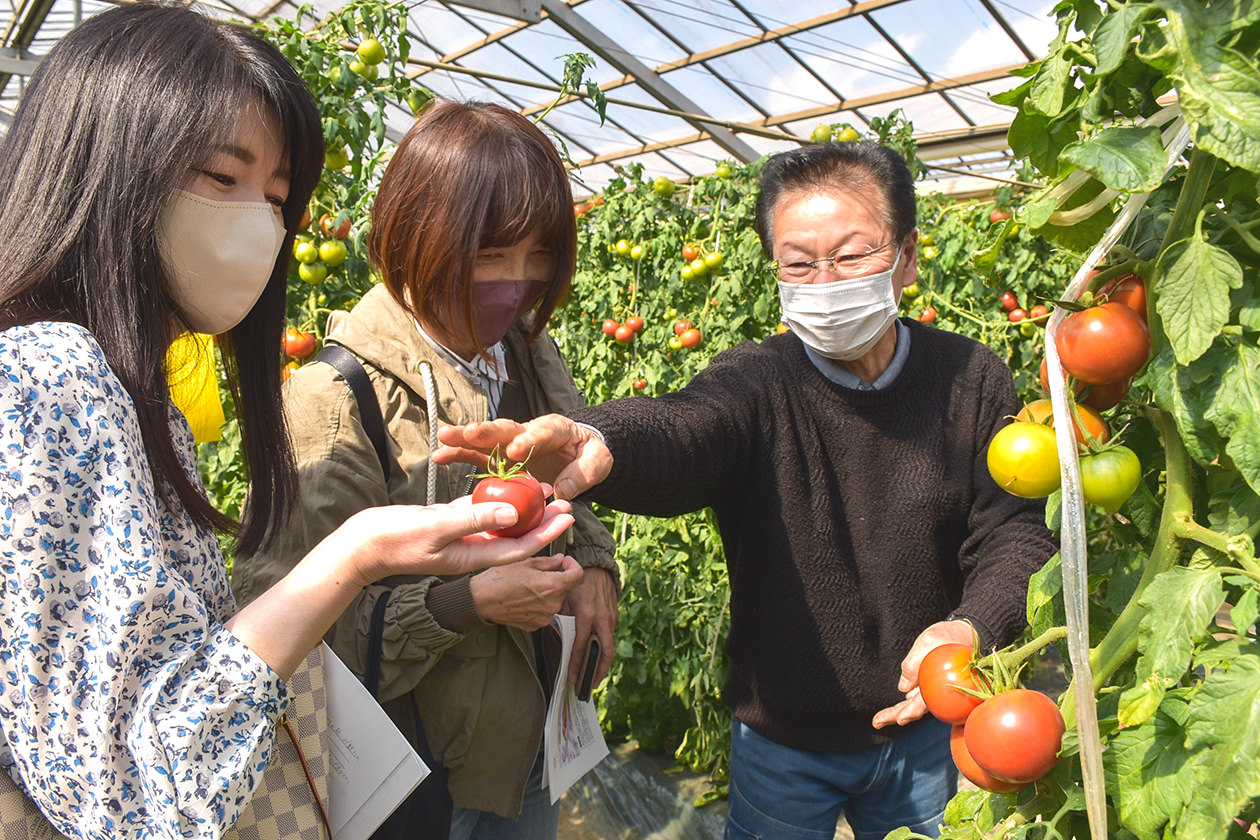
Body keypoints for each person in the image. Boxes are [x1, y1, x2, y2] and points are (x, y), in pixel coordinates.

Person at [0, 7, 576, 839]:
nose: (261, 225)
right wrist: (365, 561)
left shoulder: (135, 389)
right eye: (221, 177)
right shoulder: (54, 374)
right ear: (105, 160)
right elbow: (132, 790)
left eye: (276, 197)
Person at [435, 141, 1059, 840]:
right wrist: (602, 439)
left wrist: (971, 626)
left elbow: (1015, 529)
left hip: (931, 725)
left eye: (852, 255)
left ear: (908, 256)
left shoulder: (971, 379)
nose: (824, 282)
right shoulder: (758, 381)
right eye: (798, 263)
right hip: (784, 740)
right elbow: (690, 429)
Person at [231, 100, 619, 840]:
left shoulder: (530, 356)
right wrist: (464, 603)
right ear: (420, 238)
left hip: (529, 739)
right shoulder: (333, 402)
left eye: (538, 254)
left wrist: (594, 561)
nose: (517, 281)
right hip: (414, 781)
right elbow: (293, 635)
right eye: (489, 254)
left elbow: (568, 486)